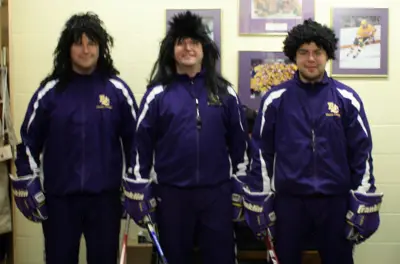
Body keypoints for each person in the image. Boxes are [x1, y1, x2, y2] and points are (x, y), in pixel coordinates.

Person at [243, 19, 383, 264]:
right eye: (304, 52)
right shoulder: (275, 99)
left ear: (327, 54)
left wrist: (363, 196)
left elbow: (362, 152)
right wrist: (260, 197)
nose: (311, 59)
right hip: (289, 204)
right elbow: (262, 154)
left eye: (317, 52)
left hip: (335, 204)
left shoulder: (346, 98)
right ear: (294, 56)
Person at [10, 12, 138, 264]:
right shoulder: (49, 92)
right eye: (78, 43)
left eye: (91, 43)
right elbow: (27, 142)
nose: (85, 49)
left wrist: (135, 185)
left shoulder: (117, 90)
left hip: (105, 201)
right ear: (67, 48)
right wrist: (28, 179)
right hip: (60, 201)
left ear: (101, 47)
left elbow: (136, 143)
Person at [122, 11, 249, 264]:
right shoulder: (157, 94)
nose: (188, 48)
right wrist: (138, 187)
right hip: (171, 196)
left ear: (204, 48)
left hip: (217, 195)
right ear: (172, 49)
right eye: (181, 42)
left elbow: (240, 144)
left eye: (194, 42)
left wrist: (241, 185)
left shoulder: (225, 92)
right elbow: (141, 144)